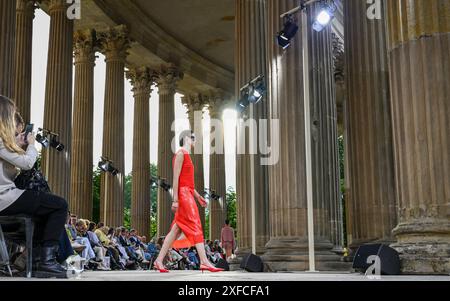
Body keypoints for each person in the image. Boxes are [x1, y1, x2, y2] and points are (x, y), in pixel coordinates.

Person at [0, 95, 68, 278]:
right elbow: (28, 164)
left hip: (6, 197)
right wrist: (30, 146)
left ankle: (37, 261)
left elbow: (12, 172)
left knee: (44, 210)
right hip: (4, 199)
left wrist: (18, 147)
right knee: (59, 205)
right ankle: (46, 262)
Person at [153, 130, 223, 273]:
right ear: (185, 138)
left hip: (188, 193)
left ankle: (159, 261)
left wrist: (198, 197)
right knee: (195, 224)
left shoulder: (186, 155)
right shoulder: (180, 154)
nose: (195, 141)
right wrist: (175, 200)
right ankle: (204, 261)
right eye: (193, 138)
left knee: (176, 230)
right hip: (183, 196)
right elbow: (176, 178)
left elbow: (189, 183)